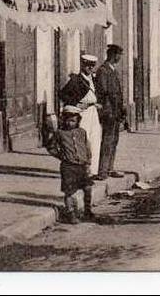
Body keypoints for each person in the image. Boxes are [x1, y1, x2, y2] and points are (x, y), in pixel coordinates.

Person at [46, 105, 93, 223]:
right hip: (68, 167)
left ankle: (88, 209)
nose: (70, 123)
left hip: (82, 165)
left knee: (87, 188)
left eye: (73, 120)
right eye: (67, 120)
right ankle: (70, 213)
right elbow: (51, 147)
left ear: (78, 120)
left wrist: (88, 160)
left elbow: (87, 147)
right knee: (69, 191)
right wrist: (61, 156)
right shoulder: (60, 133)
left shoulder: (82, 132)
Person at [59, 54, 102, 177]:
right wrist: (76, 104)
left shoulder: (93, 79)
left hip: (93, 111)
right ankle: (80, 169)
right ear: (83, 65)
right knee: (83, 140)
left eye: (92, 65)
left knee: (95, 140)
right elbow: (62, 95)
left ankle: (92, 170)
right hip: (82, 113)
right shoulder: (76, 80)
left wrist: (97, 103)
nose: (90, 68)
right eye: (87, 65)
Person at [93, 44, 124, 180]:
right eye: (118, 55)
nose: (119, 58)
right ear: (112, 55)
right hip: (108, 110)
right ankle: (102, 170)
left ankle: (110, 168)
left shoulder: (113, 70)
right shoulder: (103, 71)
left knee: (114, 140)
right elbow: (104, 91)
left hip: (115, 111)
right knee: (107, 140)